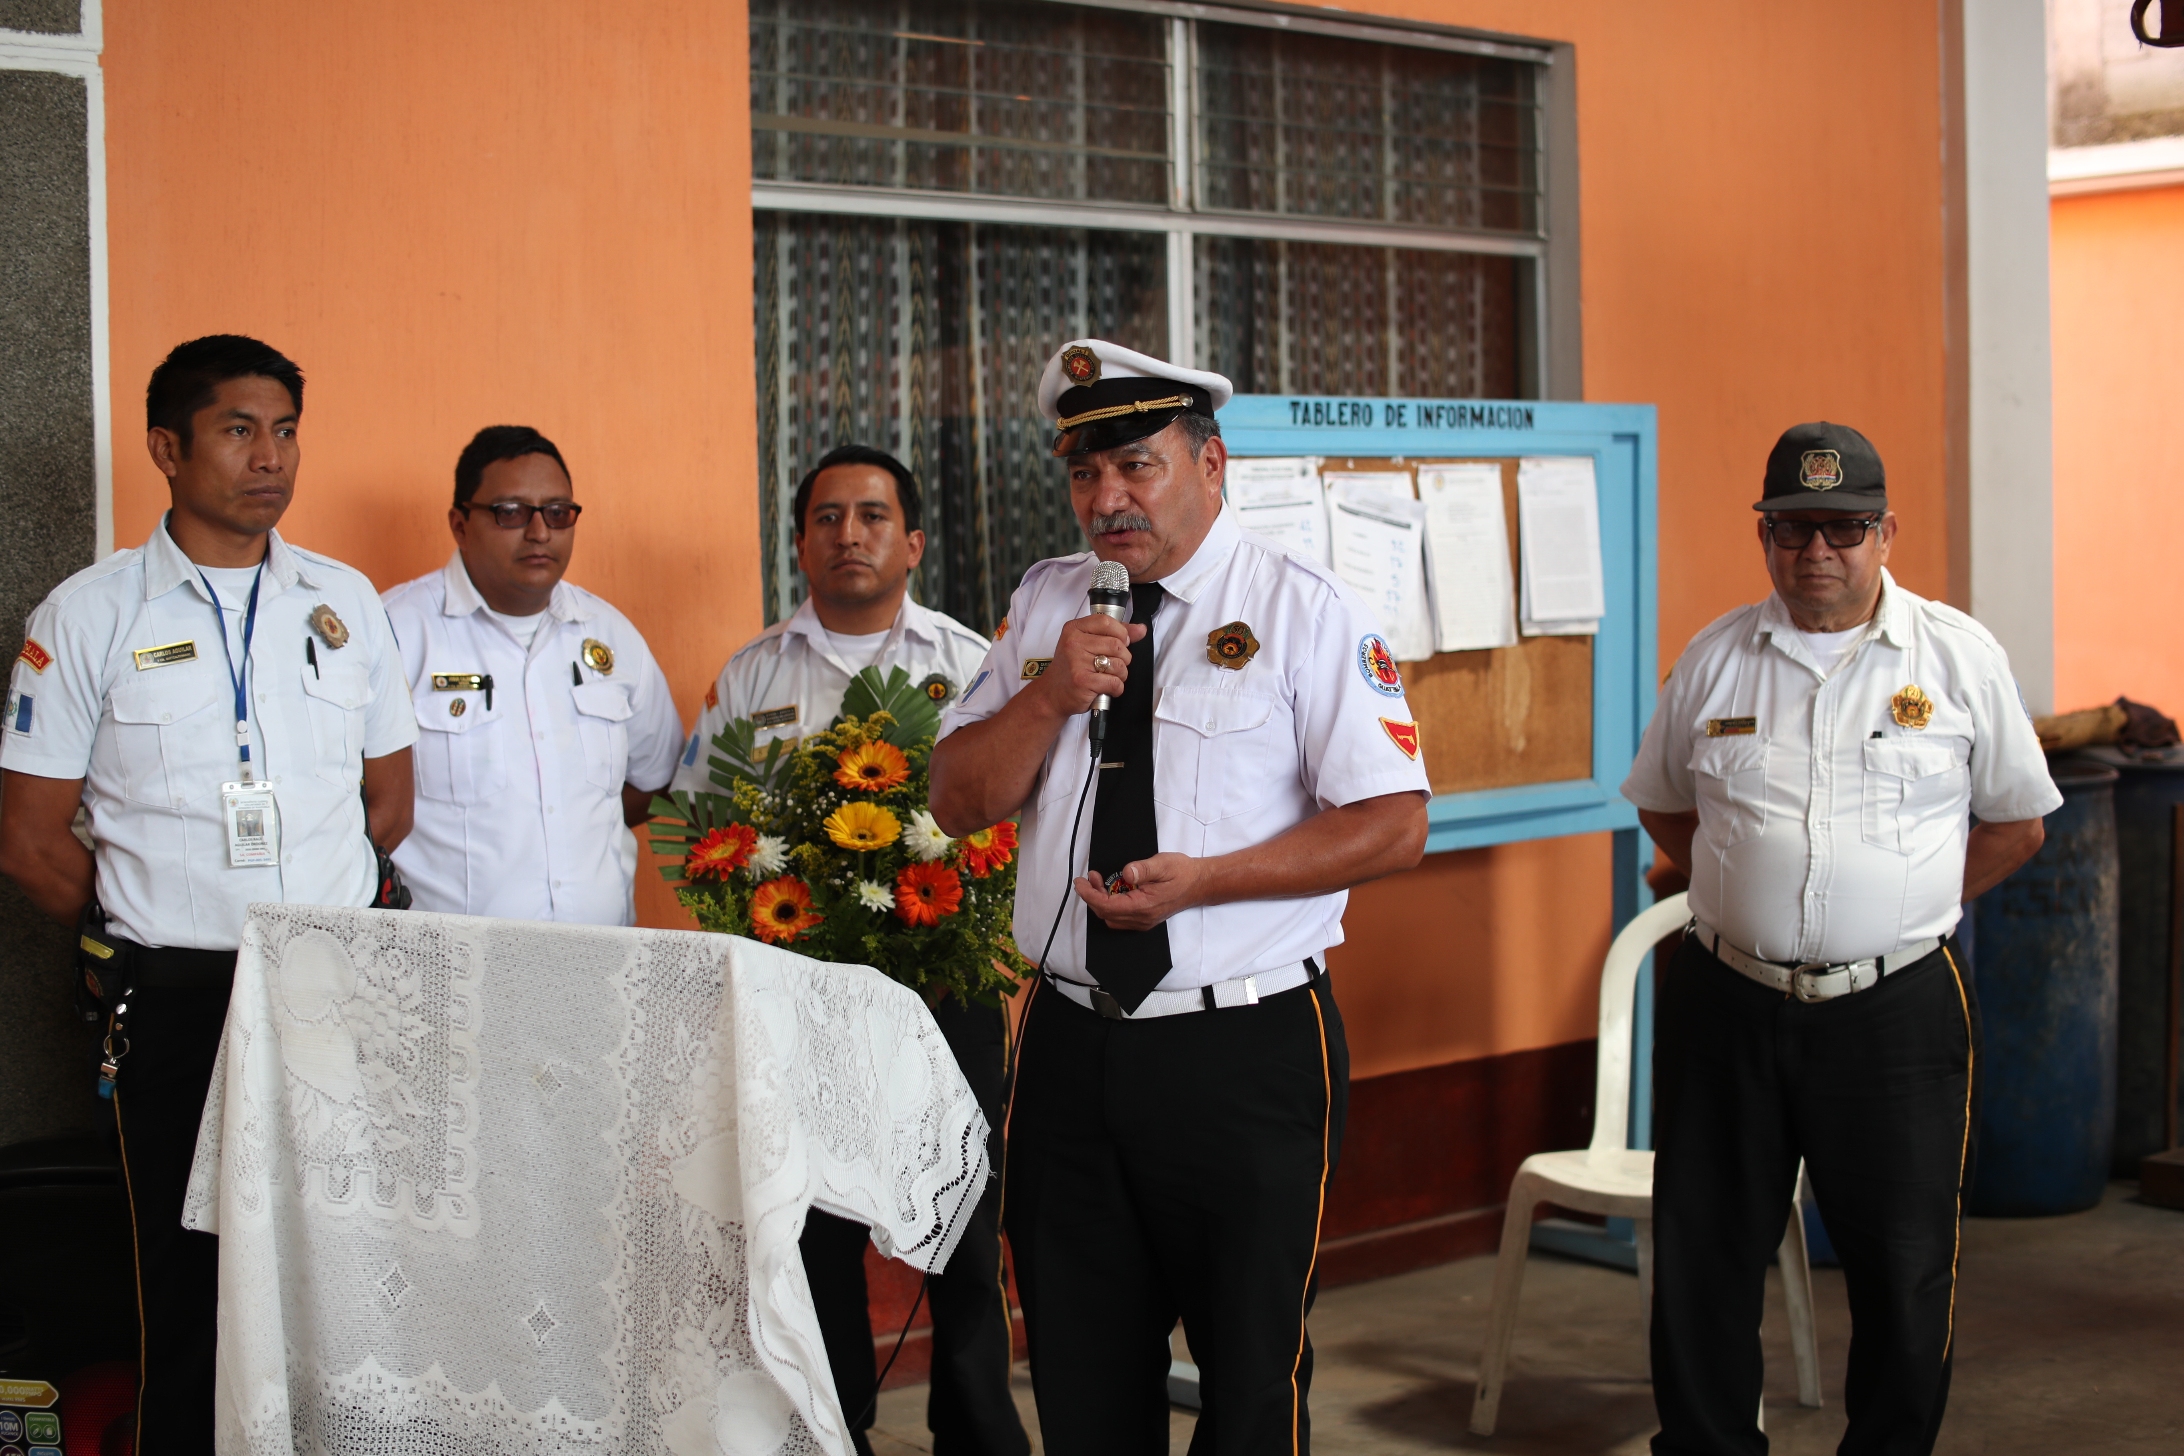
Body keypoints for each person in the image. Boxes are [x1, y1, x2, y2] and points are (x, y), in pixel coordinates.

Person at [929, 340, 1431, 1454]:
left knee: (1250, 1381)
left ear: (1212, 463)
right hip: (1070, 1042)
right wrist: (1050, 694)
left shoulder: (1303, 608)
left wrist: (1210, 881)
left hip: (1241, 1048)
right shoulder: (1045, 605)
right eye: (1084, 473)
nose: (1107, 499)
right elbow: (957, 796)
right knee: (1077, 1368)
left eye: (1137, 466)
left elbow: (1395, 823)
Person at [0, 335, 418, 1455]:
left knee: (340, 1261)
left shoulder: (345, 601)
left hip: (332, 983)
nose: (270, 456)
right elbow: (33, 843)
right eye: (239, 429)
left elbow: (389, 802)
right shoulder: (86, 616)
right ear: (166, 449)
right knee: (186, 1277)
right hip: (179, 995)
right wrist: (149, 923)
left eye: (285, 429)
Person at [1622, 422, 2060, 1456]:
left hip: (1896, 1012)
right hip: (1727, 1002)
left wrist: (1906, 910)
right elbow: (1665, 807)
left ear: (1885, 532)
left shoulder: (1957, 657)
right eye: (1792, 528)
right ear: (1765, 534)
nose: (1816, 550)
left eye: (1843, 527)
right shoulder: (1716, 659)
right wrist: (1744, 894)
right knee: (1704, 1259)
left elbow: (2019, 821)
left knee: (1904, 1266)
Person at [680, 444, 1018, 1456]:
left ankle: (978, 1429)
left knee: (958, 1208)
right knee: (810, 1218)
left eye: (873, 516)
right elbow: (706, 829)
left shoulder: (969, 664)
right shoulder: (754, 673)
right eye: (827, 518)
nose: (849, 534)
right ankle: (837, 1428)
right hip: (802, 998)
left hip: (942, 986)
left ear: (912, 541)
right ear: (799, 543)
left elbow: (1014, 822)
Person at [381, 426, 682, 924]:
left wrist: (570, 824)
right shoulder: (397, 632)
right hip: (453, 973)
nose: (540, 532)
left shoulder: (610, 634)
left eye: (558, 513)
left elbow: (658, 778)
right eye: (511, 512)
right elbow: (359, 806)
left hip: (598, 962)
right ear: (460, 524)